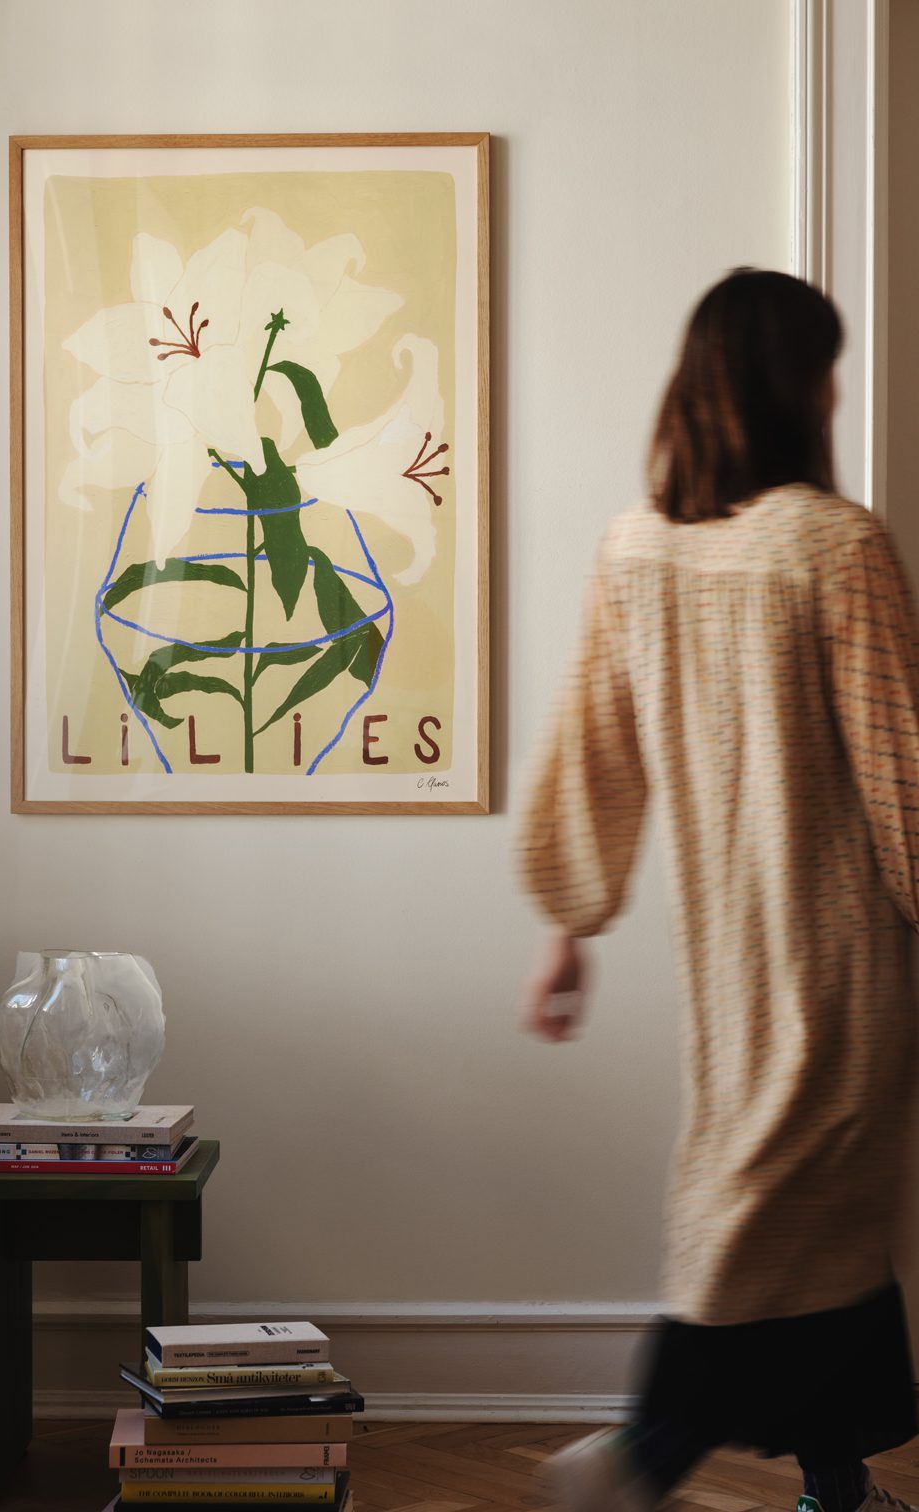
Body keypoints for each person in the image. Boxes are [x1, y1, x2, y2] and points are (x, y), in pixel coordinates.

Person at [517, 268, 919, 1512]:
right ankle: (644, 1455)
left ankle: (836, 1487)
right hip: (843, 962)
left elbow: (594, 753)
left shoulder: (636, 547)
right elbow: (901, 769)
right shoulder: (835, 545)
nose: (837, 391)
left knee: (808, 1226)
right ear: (795, 386)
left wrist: (571, 925)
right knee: (769, 1224)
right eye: (826, 368)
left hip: (728, 971)